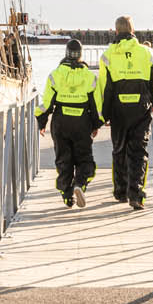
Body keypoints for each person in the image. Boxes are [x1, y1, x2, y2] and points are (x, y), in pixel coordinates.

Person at [95, 16, 153, 210]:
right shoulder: (148, 53)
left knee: (119, 148)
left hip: (118, 109)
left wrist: (104, 115)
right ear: (133, 31)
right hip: (141, 108)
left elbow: (104, 88)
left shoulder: (108, 55)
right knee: (138, 151)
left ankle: (120, 191)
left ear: (116, 32)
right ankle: (136, 194)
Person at [35, 38, 100, 209]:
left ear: (66, 53)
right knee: (84, 158)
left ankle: (66, 195)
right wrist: (96, 125)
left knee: (64, 160)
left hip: (61, 122)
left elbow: (47, 103)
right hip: (82, 122)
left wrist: (41, 121)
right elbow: (96, 105)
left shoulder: (55, 75)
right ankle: (79, 184)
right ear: (81, 55)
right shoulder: (89, 76)